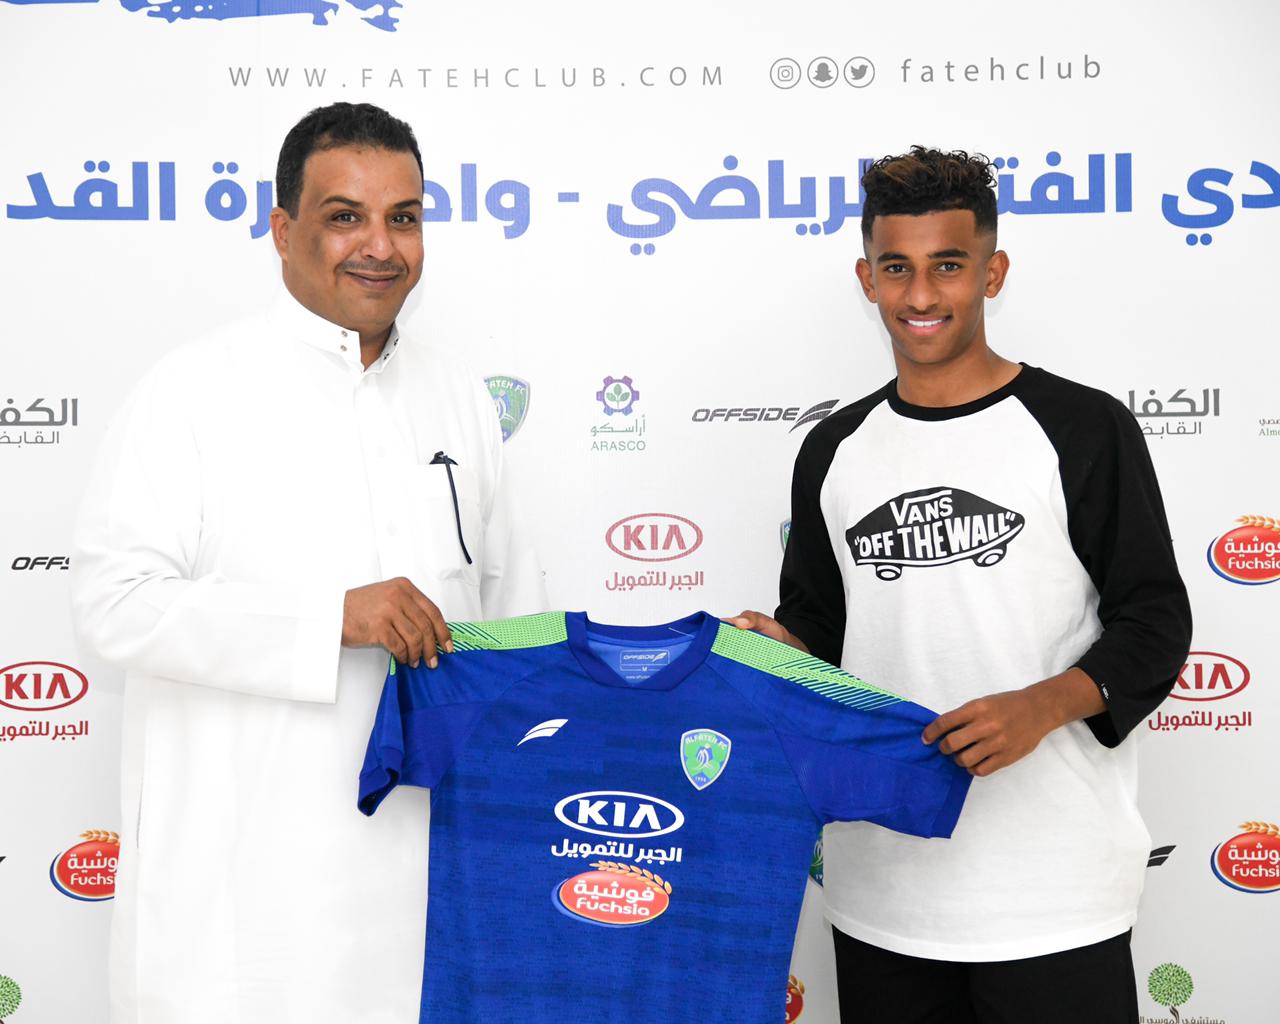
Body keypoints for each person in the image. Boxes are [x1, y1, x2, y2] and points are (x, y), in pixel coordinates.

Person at [71, 102, 545, 1024]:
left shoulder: (458, 393)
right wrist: (329, 618)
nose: (380, 246)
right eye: (344, 217)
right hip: (241, 918)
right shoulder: (192, 391)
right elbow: (113, 605)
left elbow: (513, 623)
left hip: (425, 899)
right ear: (283, 230)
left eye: (403, 217)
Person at [732, 146, 1191, 1024]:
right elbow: (822, 632)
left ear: (993, 271)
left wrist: (1042, 705)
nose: (921, 295)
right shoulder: (832, 450)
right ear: (866, 278)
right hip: (885, 891)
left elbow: (1155, 621)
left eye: (948, 265)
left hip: (1053, 891)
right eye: (896, 268)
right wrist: (779, 648)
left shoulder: (1082, 426)